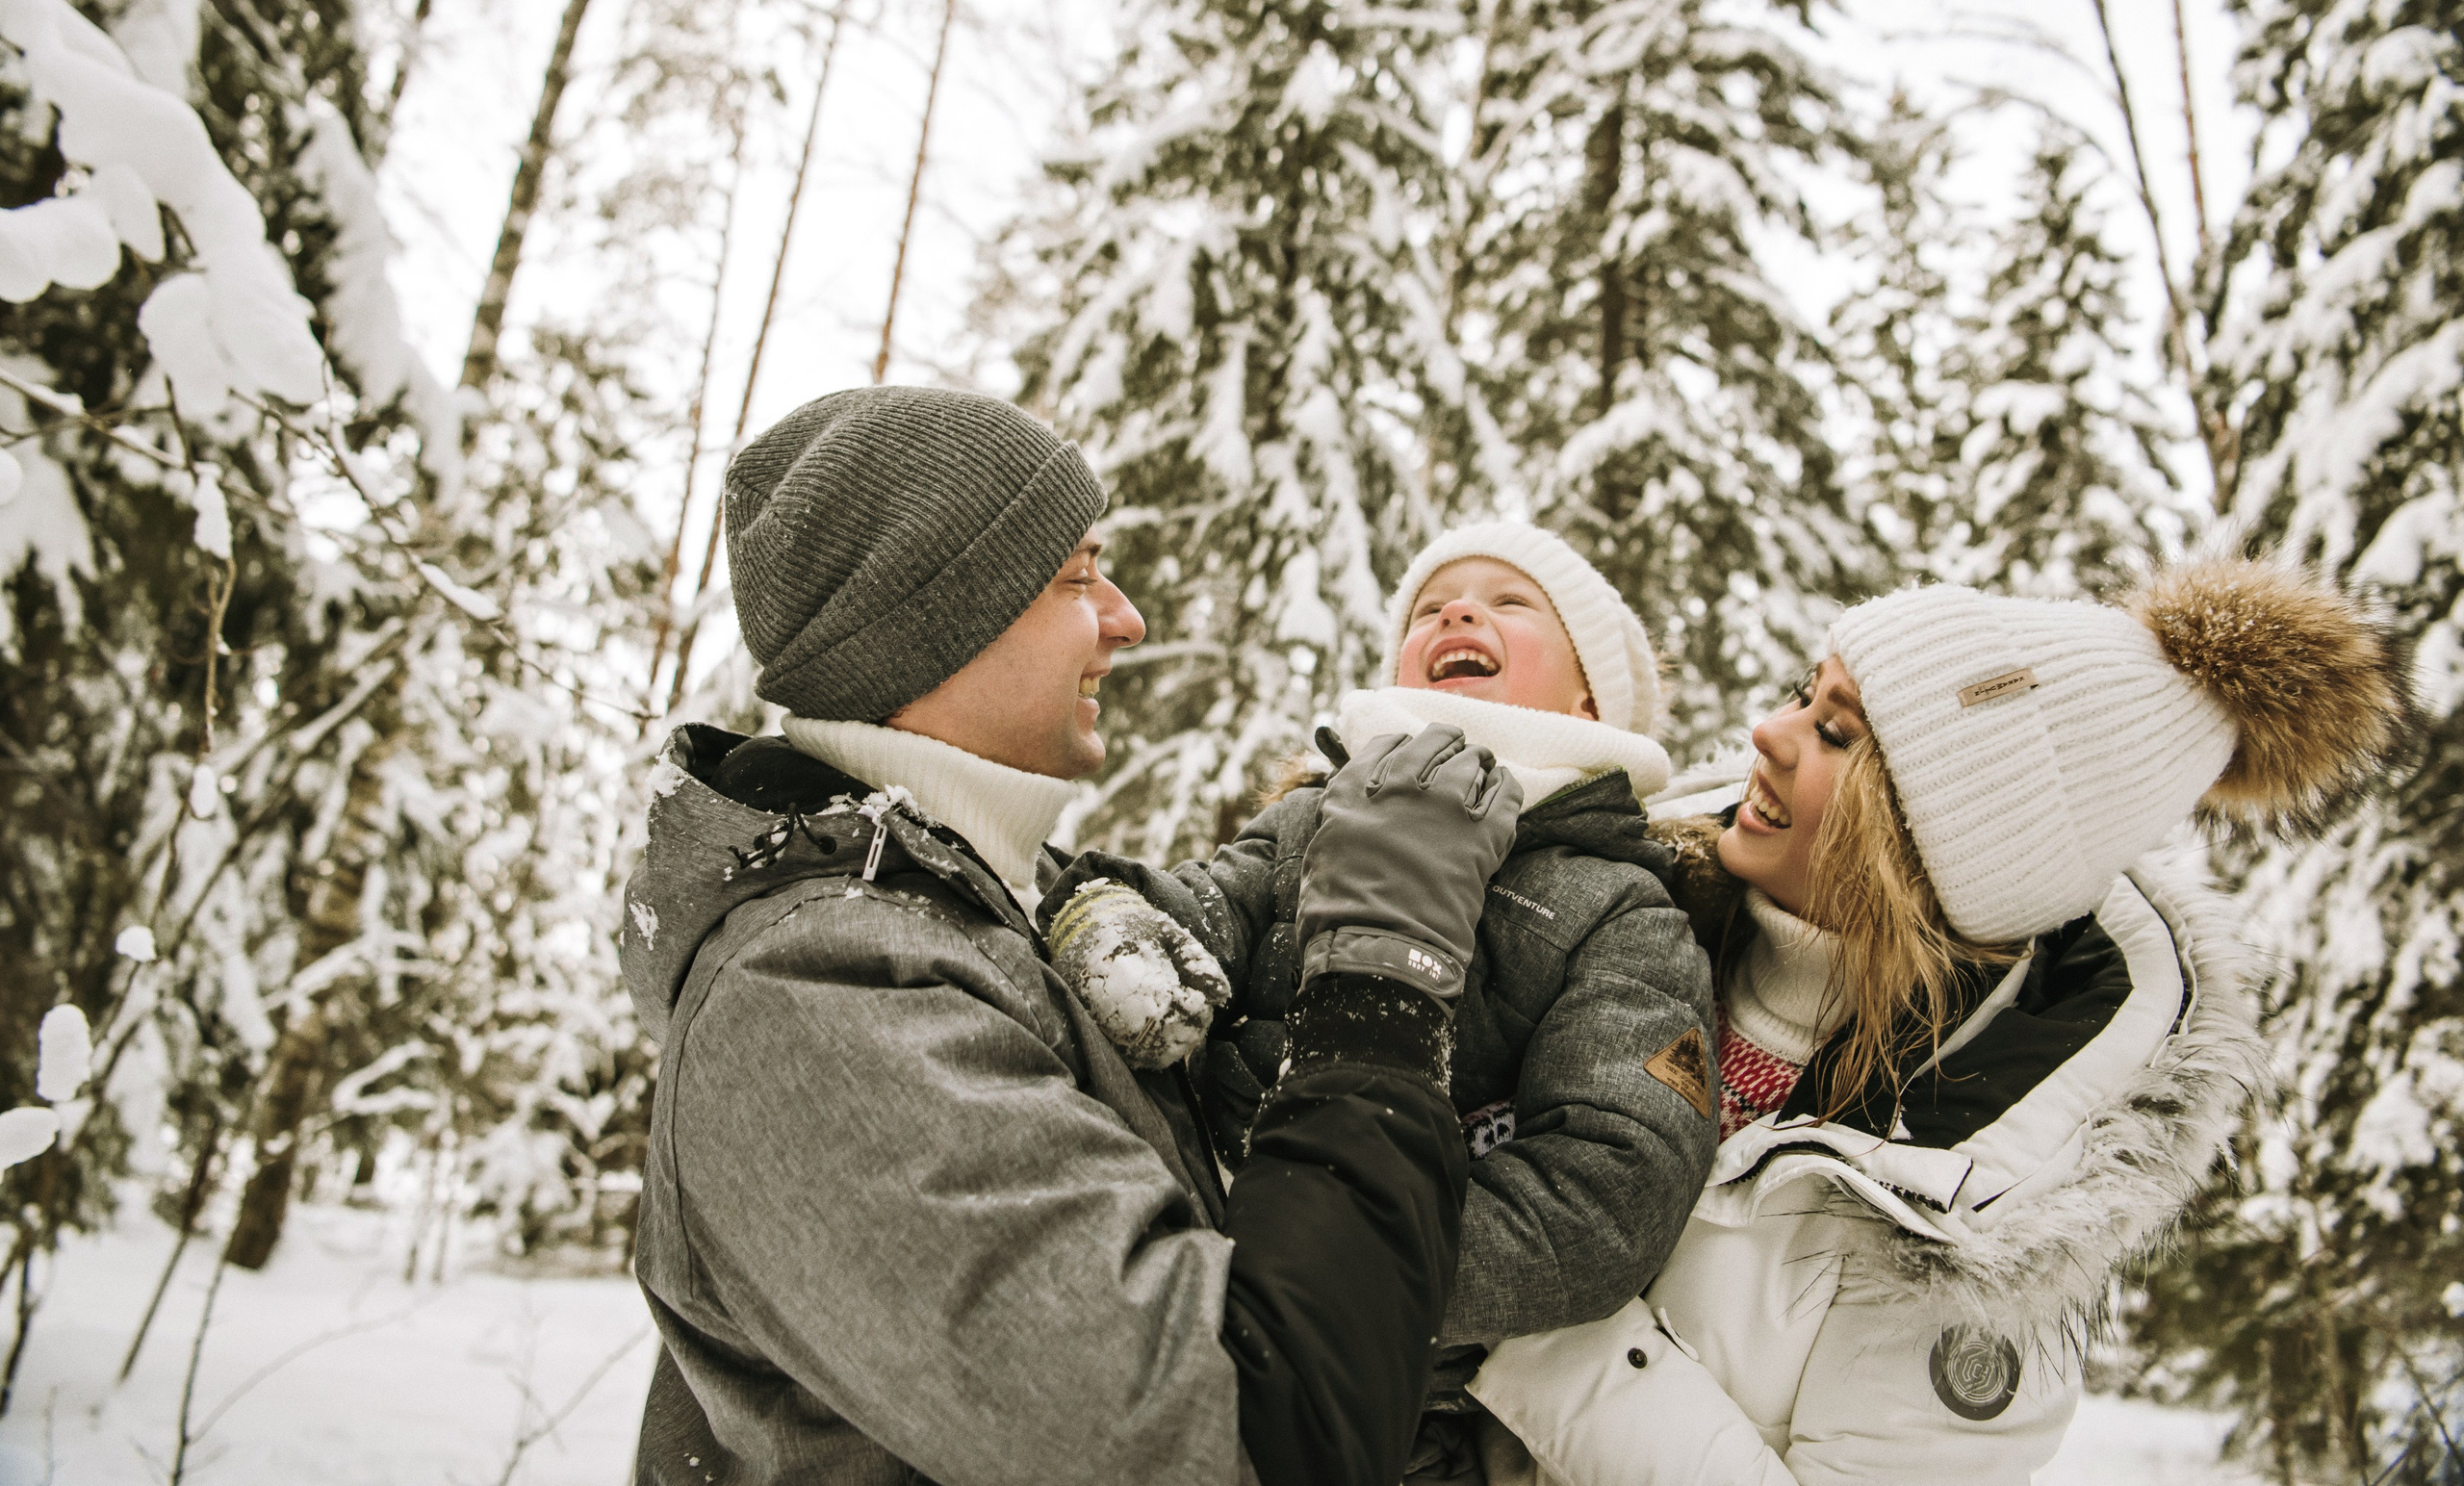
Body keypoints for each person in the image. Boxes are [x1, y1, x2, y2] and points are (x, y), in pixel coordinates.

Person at [617, 386, 1524, 1486]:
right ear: (937, 623)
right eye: (1077, 577)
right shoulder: (815, 1003)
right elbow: (1243, 1433)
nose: (1126, 619)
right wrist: (1379, 977)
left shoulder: (992, 915)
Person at [1467, 558, 2413, 1486]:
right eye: (1802, 693)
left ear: (1931, 845)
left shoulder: (1984, 1202)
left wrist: (1515, 1298)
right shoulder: (1599, 918)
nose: (1768, 731)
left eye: (1834, 732)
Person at [1039, 523, 1719, 1474]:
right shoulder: (1317, 816)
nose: (1459, 610)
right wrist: (1112, 912)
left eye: (1510, 601)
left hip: (1401, 1399)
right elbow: (1210, 904)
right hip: (1180, 1270)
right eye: (1430, 606)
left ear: (1589, 699)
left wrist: (1361, 1264)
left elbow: (1610, 1191)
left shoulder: (1616, 905)